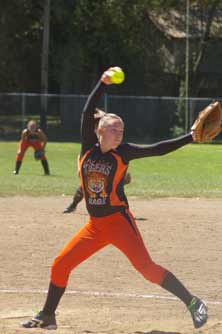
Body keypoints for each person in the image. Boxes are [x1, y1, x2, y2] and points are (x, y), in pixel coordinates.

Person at [21, 68, 208, 330]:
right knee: (60, 265)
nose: (119, 133)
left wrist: (190, 137)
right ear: (100, 132)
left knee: (147, 269)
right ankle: (48, 315)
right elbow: (88, 113)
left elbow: (158, 149)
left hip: (119, 223)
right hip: (94, 226)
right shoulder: (88, 146)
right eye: (114, 129)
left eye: (121, 129)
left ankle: (193, 303)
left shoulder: (124, 153)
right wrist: (102, 83)